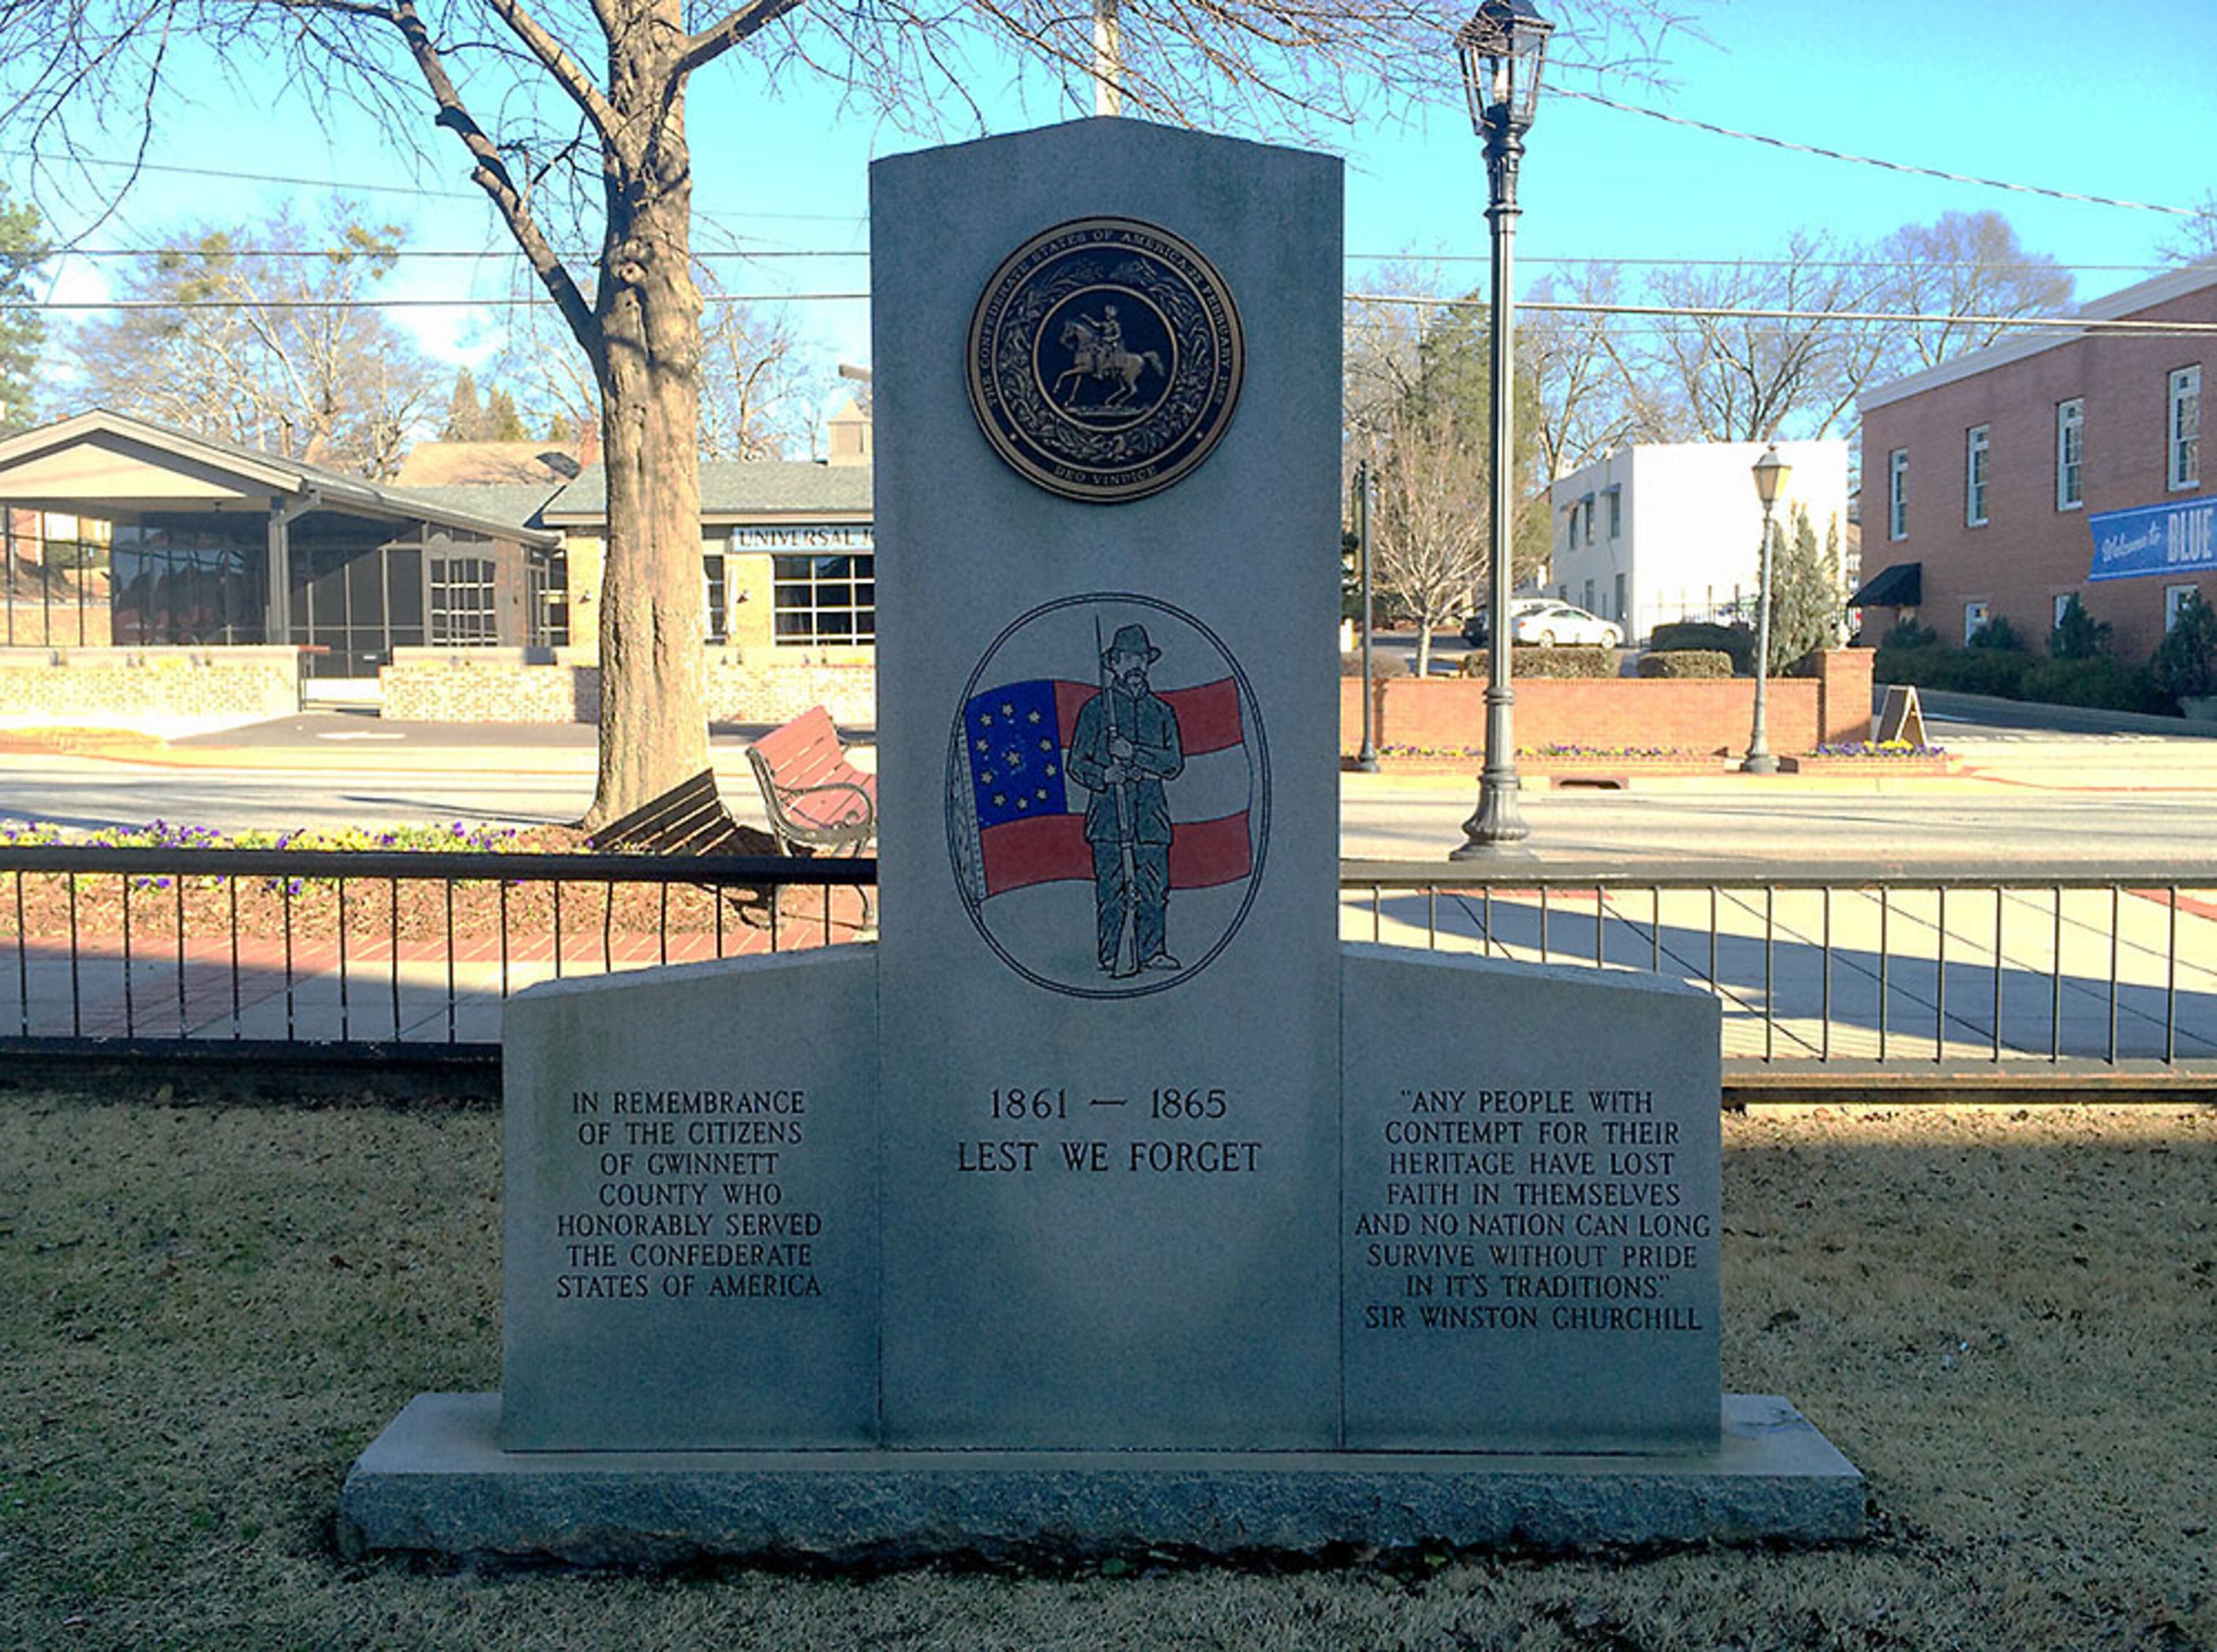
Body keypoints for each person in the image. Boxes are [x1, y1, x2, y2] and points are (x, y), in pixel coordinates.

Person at [1066, 622, 1185, 975]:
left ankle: (1152, 951)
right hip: (1108, 816)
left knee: (1154, 888)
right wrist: (1105, 775)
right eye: (1129, 658)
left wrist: (1133, 753)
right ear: (1114, 663)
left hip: (1150, 815)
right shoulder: (1095, 710)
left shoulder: (1162, 712)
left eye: (1142, 659)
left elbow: (1173, 763)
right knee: (1112, 889)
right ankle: (1111, 952)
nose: (1137, 665)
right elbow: (1076, 764)